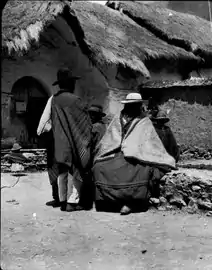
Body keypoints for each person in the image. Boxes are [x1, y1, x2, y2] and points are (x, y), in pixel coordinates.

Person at [92, 93, 176, 215]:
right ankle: (110, 201)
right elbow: (111, 136)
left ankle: (131, 202)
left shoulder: (144, 121)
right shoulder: (118, 117)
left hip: (138, 154)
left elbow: (149, 142)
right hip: (116, 150)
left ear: (139, 105)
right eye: (130, 105)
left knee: (138, 170)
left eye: (135, 105)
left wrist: (133, 149)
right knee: (100, 166)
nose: (133, 107)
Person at [50, 68, 92, 212]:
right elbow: (84, 123)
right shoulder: (75, 100)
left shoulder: (54, 100)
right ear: (70, 83)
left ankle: (62, 201)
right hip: (73, 142)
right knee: (75, 172)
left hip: (59, 142)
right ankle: (71, 203)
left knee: (62, 173)